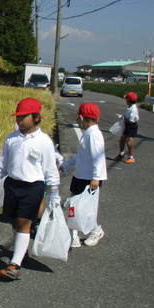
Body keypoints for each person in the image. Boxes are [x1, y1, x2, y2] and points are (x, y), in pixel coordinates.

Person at [0, 98, 60, 280]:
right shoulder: (11, 139)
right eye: (18, 117)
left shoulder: (43, 141)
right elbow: (2, 163)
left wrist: (54, 193)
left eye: (24, 117)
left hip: (32, 187)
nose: (20, 121)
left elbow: (50, 169)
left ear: (36, 118)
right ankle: (21, 253)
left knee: (24, 222)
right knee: (14, 221)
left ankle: (14, 264)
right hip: (12, 185)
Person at [60, 103, 107, 247]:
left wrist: (96, 178)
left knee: (83, 208)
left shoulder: (93, 135)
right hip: (81, 176)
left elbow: (98, 158)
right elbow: (82, 156)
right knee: (76, 207)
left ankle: (94, 231)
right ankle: (74, 235)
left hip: (89, 178)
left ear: (81, 118)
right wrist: (67, 164)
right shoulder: (88, 134)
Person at [114, 92, 139, 163]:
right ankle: (122, 153)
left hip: (132, 126)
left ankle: (131, 157)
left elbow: (131, 121)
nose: (125, 100)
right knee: (122, 140)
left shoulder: (133, 109)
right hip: (127, 125)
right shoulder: (129, 107)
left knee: (129, 143)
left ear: (128, 100)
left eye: (126, 99)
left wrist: (122, 118)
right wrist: (124, 117)